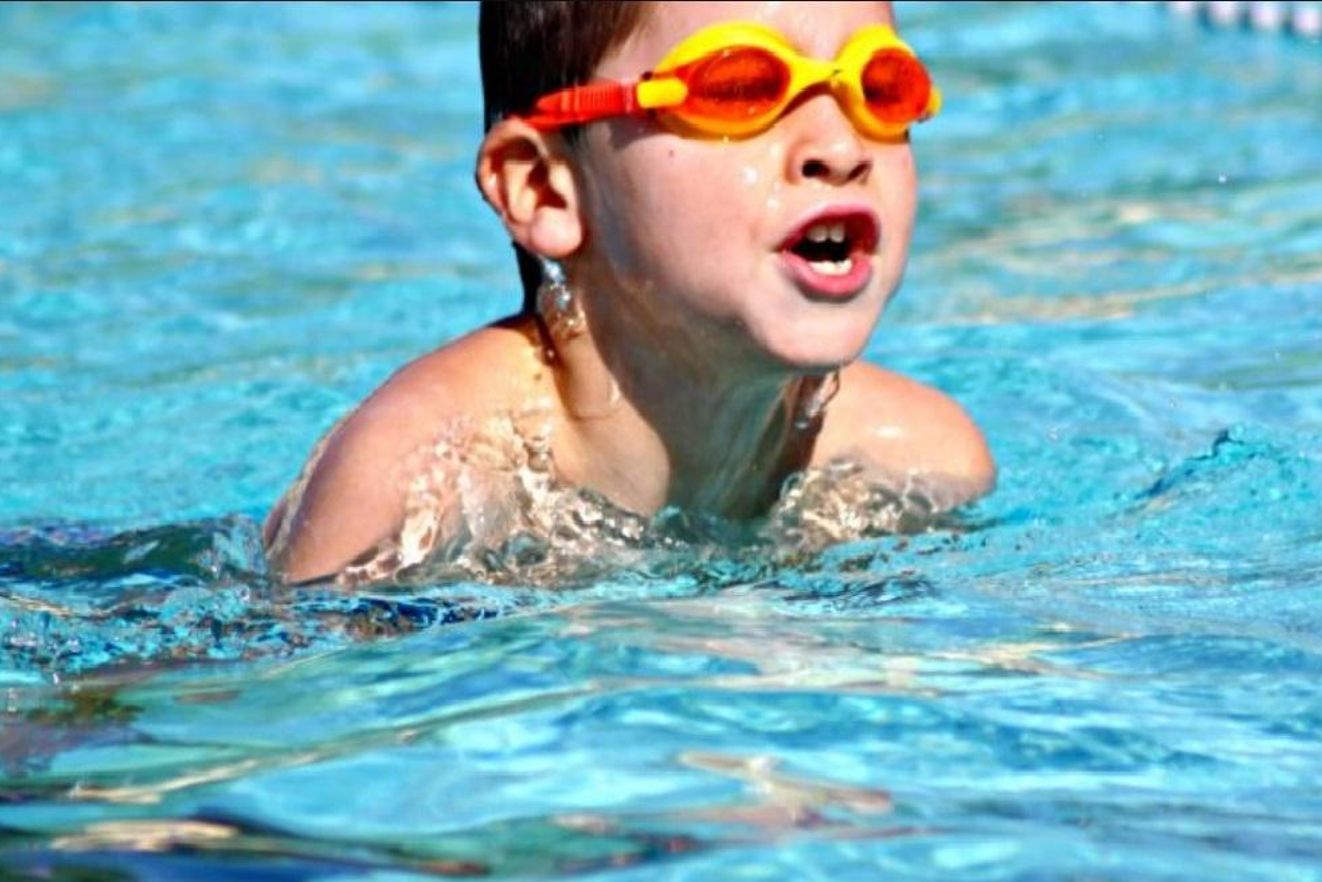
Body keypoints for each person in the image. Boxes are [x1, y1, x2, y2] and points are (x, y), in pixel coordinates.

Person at [263, 0, 995, 585]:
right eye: (739, 87)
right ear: (544, 188)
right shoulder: (421, 482)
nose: (839, 149)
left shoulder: (924, 461)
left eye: (879, 88)